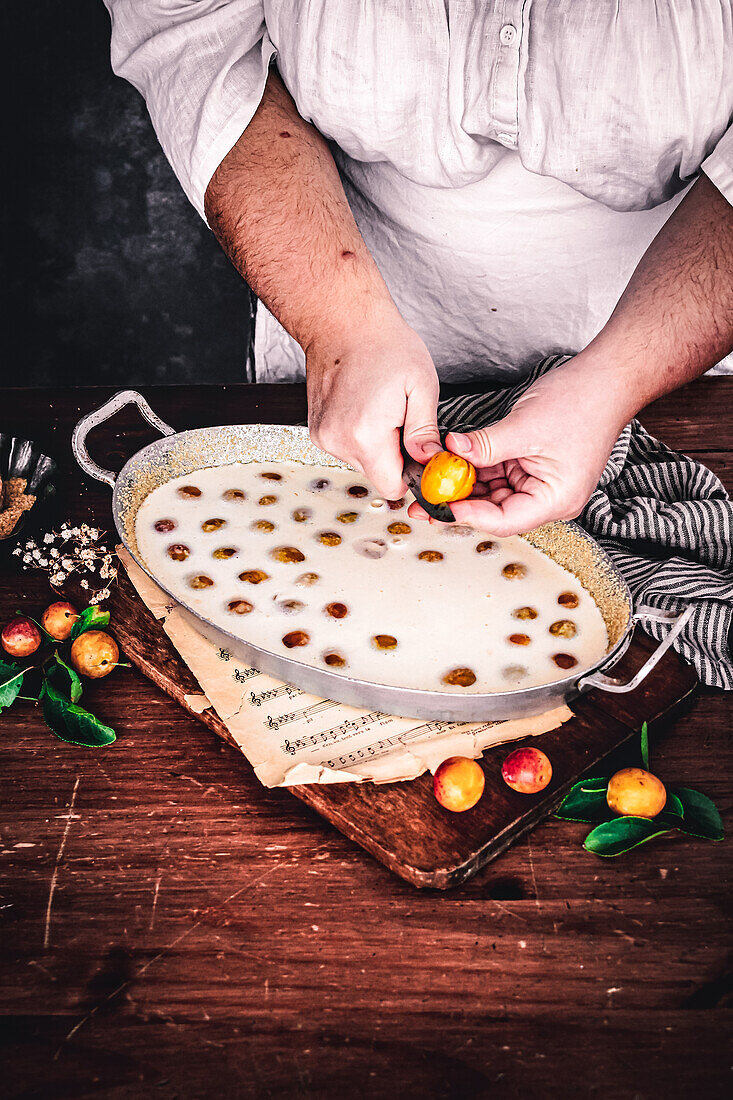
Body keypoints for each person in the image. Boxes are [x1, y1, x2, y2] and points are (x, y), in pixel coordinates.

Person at [104, 2, 733, 535]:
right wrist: (342, 325)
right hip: (336, 288)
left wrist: (612, 384)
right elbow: (196, 36)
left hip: (674, 342)